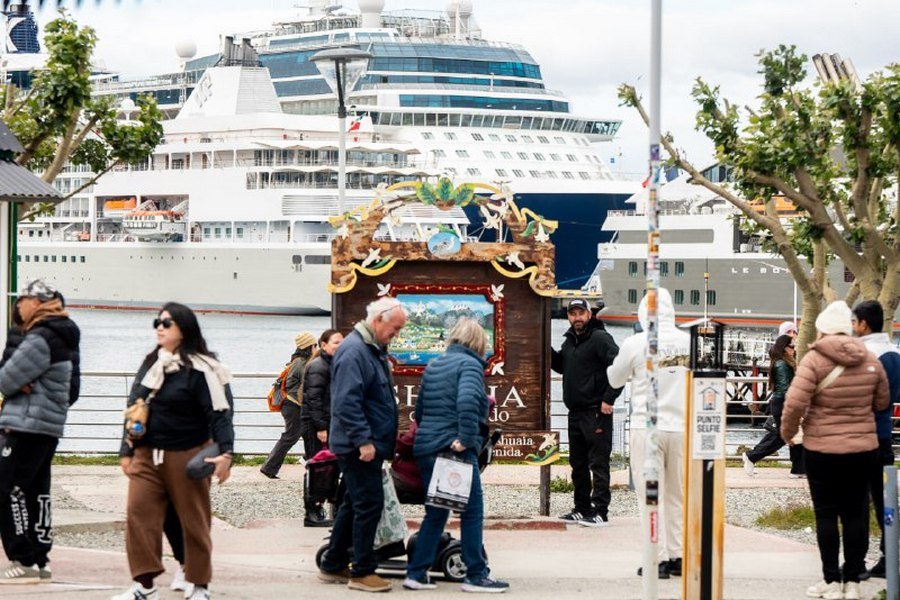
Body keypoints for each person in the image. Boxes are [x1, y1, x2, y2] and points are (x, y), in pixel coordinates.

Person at [113, 302, 235, 600]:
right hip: (146, 454)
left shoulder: (203, 368)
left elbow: (220, 413)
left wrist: (226, 454)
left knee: (194, 522)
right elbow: (135, 408)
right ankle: (144, 585)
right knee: (139, 515)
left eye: (166, 323)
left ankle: (199, 584)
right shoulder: (153, 363)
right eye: (157, 322)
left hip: (187, 453)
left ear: (184, 329)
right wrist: (126, 451)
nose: (159, 327)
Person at [781, 300, 888, 600]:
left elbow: (794, 403)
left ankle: (831, 581)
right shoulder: (870, 359)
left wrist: (788, 434)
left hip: (821, 449)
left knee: (826, 514)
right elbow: (882, 401)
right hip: (862, 449)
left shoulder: (814, 360)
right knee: (855, 514)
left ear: (823, 330)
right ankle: (852, 582)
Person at [404, 318, 509, 593]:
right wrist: (465, 439)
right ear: (478, 342)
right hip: (453, 449)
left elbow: (420, 410)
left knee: (437, 512)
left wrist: (431, 434)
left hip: (427, 446)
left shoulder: (434, 365)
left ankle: (416, 573)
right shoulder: (470, 365)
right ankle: (476, 575)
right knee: (472, 511)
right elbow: (467, 401)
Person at [318, 297, 406, 593]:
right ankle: (362, 571)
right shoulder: (355, 351)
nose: (396, 335)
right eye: (395, 329)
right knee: (369, 504)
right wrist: (364, 441)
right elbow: (346, 402)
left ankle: (333, 563)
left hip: (361, 443)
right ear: (378, 320)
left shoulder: (369, 349)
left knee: (354, 502)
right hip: (358, 446)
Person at [0, 279, 80, 585]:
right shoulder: (63, 334)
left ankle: (22, 559)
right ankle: (39, 558)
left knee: (9, 488)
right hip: (48, 425)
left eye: (21, 300)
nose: (17, 306)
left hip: (26, 423)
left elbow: (6, 379)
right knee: (36, 491)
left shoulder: (39, 337)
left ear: (35, 303)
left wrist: (17, 381)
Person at [607, 288, 689, 579]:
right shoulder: (687, 342)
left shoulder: (635, 343)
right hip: (680, 428)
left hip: (648, 427)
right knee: (677, 493)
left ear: (644, 311)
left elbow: (614, 378)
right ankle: (678, 555)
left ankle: (658, 558)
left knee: (651, 495)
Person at [551, 298, 622, 527]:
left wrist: (609, 398)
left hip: (596, 413)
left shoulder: (600, 338)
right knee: (578, 464)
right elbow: (561, 366)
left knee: (598, 464)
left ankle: (601, 511)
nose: (577, 317)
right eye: (573, 313)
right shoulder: (569, 341)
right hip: (575, 412)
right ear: (568, 317)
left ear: (590, 315)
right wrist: (544, 347)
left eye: (581, 313)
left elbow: (620, 367)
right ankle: (582, 508)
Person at [852, 300, 900, 580]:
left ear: (864, 324)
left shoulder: (864, 354)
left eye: (854, 322)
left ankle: (856, 561)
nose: (853, 327)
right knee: (885, 500)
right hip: (884, 435)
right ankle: (888, 557)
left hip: (861, 434)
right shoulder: (894, 354)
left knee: (858, 501)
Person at [741, 335, 805, 477]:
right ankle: (752, 456)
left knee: (792, 434)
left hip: (783, 402)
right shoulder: (782, 364)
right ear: (784, 347)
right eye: (792, 346)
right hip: (784, 403)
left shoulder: (786, 362)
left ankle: (798, 469)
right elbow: (785, 388)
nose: (794, 349)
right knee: (784, 435)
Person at [300, 328, 343, 526]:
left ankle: (323, 508)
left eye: (342, 342)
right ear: (324, 345)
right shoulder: (318, 366)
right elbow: (314, 398)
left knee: (330, 466)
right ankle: (312, 511)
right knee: (316, 467)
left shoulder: (332, 364)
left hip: (329, 421)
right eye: (336, 342)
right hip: (316, 424)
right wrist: (320, 427)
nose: (340, 346)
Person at [260, 332, 317, 479]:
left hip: (296, 405)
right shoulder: (301, 363)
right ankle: (269, 468)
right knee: (290, 437)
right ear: (308, 347)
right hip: (293, 405)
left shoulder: (302, 361)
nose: (316, 348)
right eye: (315, 345)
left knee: (310, 436)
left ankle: (311, 463)